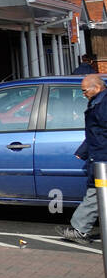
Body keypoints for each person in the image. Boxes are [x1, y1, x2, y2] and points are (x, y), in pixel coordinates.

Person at [60, 73, 107, 245]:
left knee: (95, 192)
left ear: (97, 87)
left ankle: (79, 229)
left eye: (84, 90)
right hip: (98, 156)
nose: (83, 94)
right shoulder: (98, 102)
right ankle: (79, 228)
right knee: (96, 193)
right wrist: (85, 150)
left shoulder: (103, 104)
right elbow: (96, 132)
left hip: (102, 158)